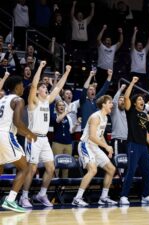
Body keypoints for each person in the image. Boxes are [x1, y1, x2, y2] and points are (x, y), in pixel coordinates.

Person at [19, 61, 71, 208]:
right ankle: (24, 196)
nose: (45, 88)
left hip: (44, 139)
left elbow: (59, 87)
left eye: (45, 86)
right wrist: (40, 68)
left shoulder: (47, 101)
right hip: (33, 138)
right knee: (32, 168)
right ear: (36, 92)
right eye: (43, 87)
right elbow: (34, 85)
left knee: (50, 168)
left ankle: (42, 194)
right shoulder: (33, 101)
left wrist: (66, 72)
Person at [0, 74, 37, 213]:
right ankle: (10, 200)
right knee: (25, 167)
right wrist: (30, 133)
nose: (23, 87)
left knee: (0, 168)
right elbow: (17, 122)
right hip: (5, 135)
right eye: (22, 85)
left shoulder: (2, 99)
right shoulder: (18, 100)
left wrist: (23, 133)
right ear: (17, 86)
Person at [72, 95, 117, 206]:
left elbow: (100, 136)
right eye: (110, 102)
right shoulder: (95, 117)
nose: (112, 104)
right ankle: (77, 198)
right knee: (93, 170)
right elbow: (92, 136)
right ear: (103, 104)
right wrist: (106, 147)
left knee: (111, 169)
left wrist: (108, 147)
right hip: (85, 145)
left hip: (95, 147)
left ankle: (103, 197)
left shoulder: (105, 117)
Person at [119, 76, 149, 205]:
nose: (142, 101)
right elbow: (126, 98)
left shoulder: (143, 114)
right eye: (139, 99)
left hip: (143, 146)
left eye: (142, 99)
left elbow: (144, 132)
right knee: (131, 170)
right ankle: (123, 196)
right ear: (135, 103)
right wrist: (132, 83)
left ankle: (146, 195)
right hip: (132, 144)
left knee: (147, 171)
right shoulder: (131, 111)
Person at [111, 84, 128, 155]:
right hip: (117, 139)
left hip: (127, 140)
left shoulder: (127, 112)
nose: (122, 101)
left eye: (123, 100)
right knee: (117, 160)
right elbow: (114, 101)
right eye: (120, 100)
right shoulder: (114, 110)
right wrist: (121, 89)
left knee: (127, 161)